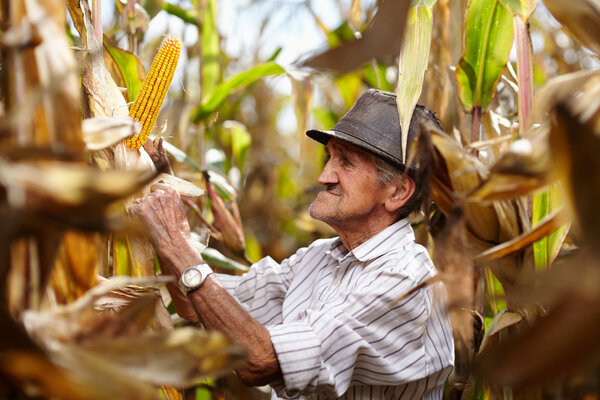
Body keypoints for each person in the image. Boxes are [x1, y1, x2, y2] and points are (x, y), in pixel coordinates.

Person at [130, 89, 454, 399]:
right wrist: (161, 193)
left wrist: (176, 243)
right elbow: (195, 305)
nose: (324, 176)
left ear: (398, 192)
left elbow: (260, 360)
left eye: (346, 162)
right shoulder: (318, 258)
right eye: (330, 158)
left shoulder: (407, 282)